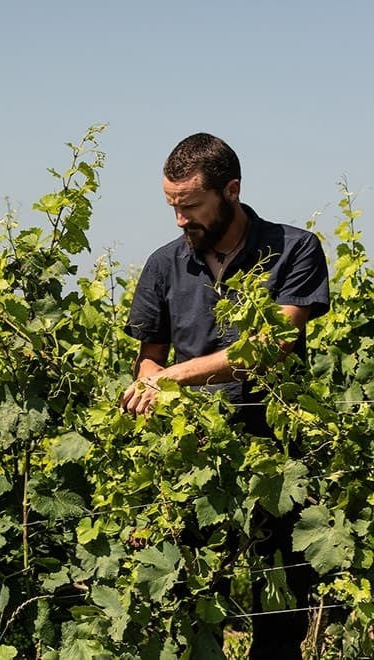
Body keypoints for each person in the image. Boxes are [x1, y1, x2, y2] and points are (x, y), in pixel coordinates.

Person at [121, 133, 329, 658]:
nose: (179, 220)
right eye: (172, 206)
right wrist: (149, 381)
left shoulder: (294, 249)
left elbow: (272, 345)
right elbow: (151, 355)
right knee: (194, 603)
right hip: (193, 460)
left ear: (231, 190)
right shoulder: (163, 264)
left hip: (274, 461)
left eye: (190, 206)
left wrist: (173, 378)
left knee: (280, 608)